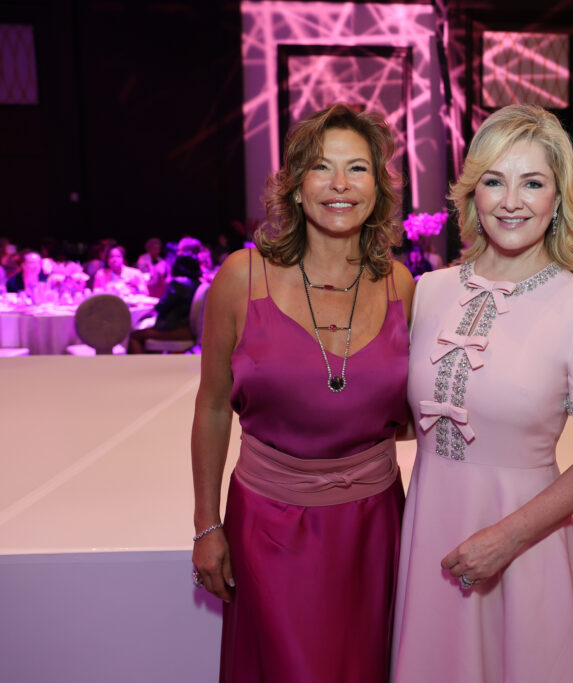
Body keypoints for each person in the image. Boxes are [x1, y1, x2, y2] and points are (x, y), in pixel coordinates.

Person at [391, 105, 573, 682]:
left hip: (526, 549)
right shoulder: (429, 292)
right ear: (474, 193)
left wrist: (506, 539)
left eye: (533, 182)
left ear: (558, 198)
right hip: (428, 536)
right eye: (495, 180)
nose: (512, 200)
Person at [190, 103, 414, 682]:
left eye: (358, 169)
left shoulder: (401, 285)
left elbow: (416, 413)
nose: (340, 185)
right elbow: (214, 406)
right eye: (321, 167)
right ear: (294, 187)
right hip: (267, 528)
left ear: (378, 187)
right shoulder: (243, 277)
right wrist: (207, 524)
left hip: (373, 530)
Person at [127, 253, 201, 353]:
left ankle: (139, 368)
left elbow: (161, 308)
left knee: (134, 336)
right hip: (190, 328)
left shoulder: (178, 283)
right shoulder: (198, 283)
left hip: (177, 329)